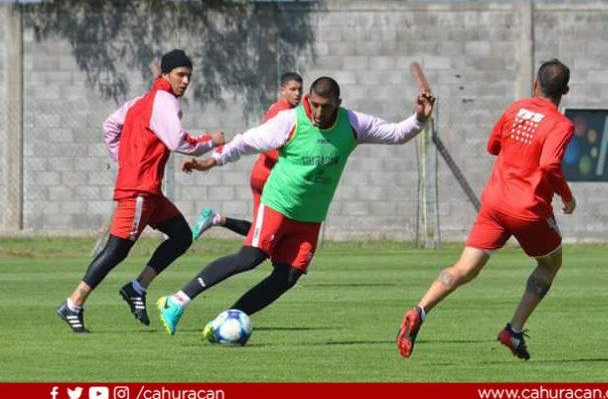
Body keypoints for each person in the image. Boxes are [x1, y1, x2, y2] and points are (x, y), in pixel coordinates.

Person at [156, 75, 436, 335]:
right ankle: (177, 300)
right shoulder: (290, 121)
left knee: (287, 276)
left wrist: (418, 120)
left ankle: (228, 320)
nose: (317, 112)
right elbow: (245, 142)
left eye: (324, 107)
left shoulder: (353, 124)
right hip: (278, 204)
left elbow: (397, 133)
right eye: (313, 104)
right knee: (250, 258)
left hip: (310, 218)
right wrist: (210, 161)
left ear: (338, 103)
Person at [396, 59, 576, 360]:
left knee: (464, 268)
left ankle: (420, 309)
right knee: (550, 264)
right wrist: (567, 197)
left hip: (494, 203)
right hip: (527, 209)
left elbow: (493, 147)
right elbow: (548, 165)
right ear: (565, 91)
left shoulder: (514, 109)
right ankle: (514, 330)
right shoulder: (560, 124)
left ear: (535, 84)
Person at [56, 49, 224, 333]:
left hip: (148, 190)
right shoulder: (165, 101)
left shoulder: (140, 101)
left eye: (188, 76)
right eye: (180, 75)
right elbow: (176, 140)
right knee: (117, 250)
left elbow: (110, 125)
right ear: (165, 74)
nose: (185, 81)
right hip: (138, 190)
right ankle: (73, 303)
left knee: (182, 235)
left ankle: (137, 287)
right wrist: (211, 141)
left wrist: (123, 158)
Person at [191, 72, 303, 240]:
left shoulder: (282, 109)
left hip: (262, 174)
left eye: (299, 90)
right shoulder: (283, 113)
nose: (297, 93)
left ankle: (216, 219)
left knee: (259, 229)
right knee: (271, 230)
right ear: (283, 90)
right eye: (292, 89)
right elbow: (270, 148)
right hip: (269, 177)